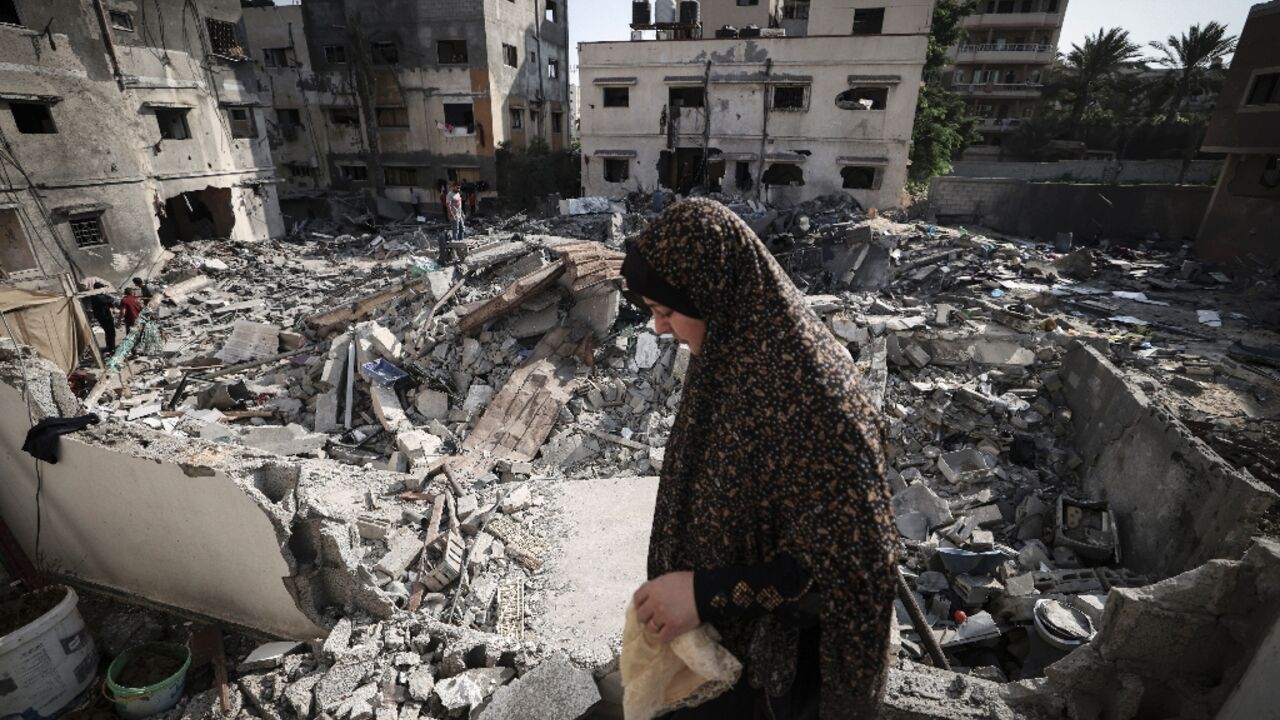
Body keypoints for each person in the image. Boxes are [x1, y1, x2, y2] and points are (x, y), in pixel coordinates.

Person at [623, 199, 897, 719]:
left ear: (712, 294)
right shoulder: (732, 351)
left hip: (776, 682)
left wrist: (704, 594)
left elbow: (845, 568)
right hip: (723, 653)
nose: (658, 329)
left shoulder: (814, 398)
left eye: (666, 311)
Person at [85, 281, 118, 354]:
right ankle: (111, 348)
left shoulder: (101, 295)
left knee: (110, 332)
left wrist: (110, 298)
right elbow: (105, 301)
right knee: (110, 332)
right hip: (103, 316)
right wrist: (112, 299)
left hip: (106, 315)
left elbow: (109, 300)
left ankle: (111, 347)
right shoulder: (95, 296)